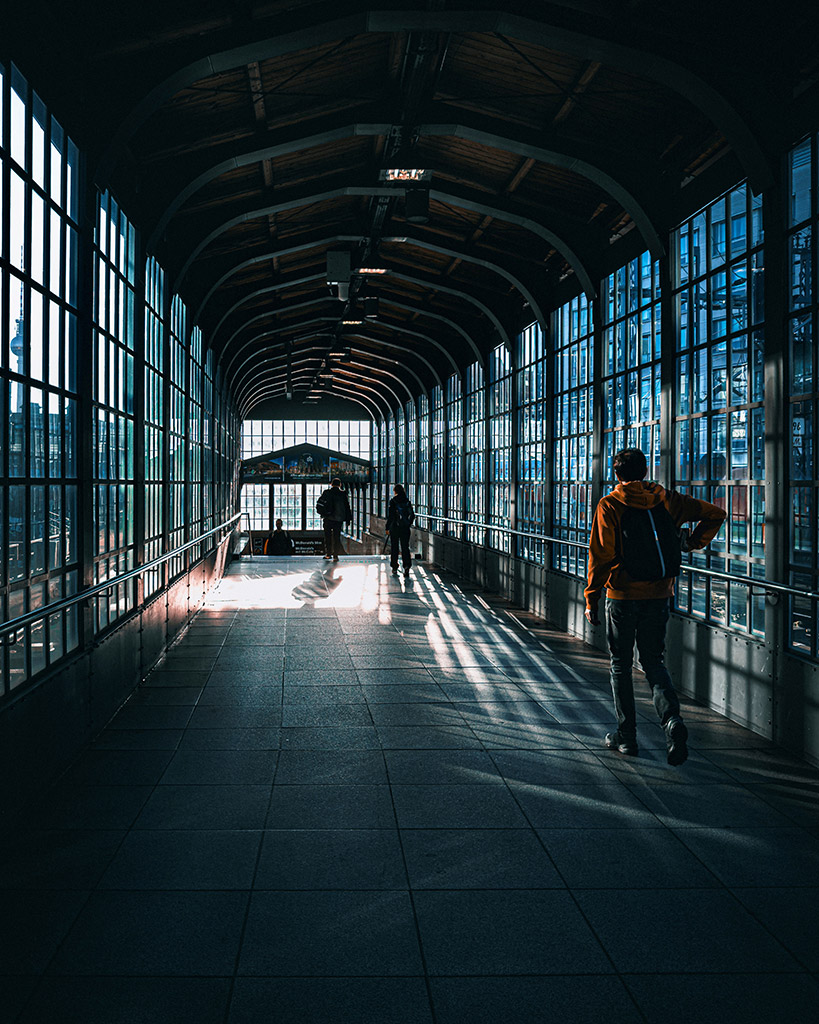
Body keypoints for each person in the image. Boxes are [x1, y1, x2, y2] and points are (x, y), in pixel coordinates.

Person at [584, 448, 726, 766]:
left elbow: (601, 555)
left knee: (620, 665)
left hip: (622, 596)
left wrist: (592, 597)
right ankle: (672, 722)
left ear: (616, 474)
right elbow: (716, 514)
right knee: (653, 662)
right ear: (645, 471)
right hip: (660, 594)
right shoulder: (668, 500)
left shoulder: (610, 505)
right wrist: (691, 543)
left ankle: (627, 737)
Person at [316, 478, 352, 563]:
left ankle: (328, 553)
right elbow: (347, 507)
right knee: (336, 537)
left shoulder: (327, 492)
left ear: (331, 484)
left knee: (327, 536)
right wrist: (348, 519)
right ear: (340, 485)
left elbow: (320, 503)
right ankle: (335, 555)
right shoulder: (343, 494)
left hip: (328, 518)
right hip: (338, 519)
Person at [385, 484, 415, 577]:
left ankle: (394, 567)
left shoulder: (393, 501)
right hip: (405, 528)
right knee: (405, 547)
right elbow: (412, 515)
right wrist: (408, 524)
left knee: (395, 547)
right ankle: (406, 566)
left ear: (395, 491)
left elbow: (391, 516)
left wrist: (387, 527)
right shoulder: (407, 501)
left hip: (395, 528)